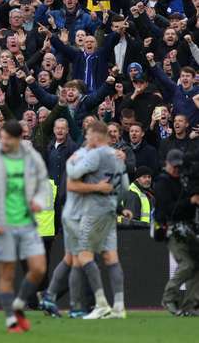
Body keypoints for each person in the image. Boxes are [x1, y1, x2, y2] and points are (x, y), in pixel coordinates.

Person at [0, 120, 49, 333]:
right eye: (3, 136)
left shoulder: (31, 157)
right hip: (3, 224)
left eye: (8, 138)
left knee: (38, 269)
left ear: (18, 139)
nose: (4, 141)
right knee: (6, 274)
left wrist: (38, 201)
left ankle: (18, 303)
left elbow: (42, 182)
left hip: (27, 223)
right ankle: (11, 320)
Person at [65, 121, 128, 319]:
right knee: (111, 257)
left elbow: (73, 174)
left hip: (93, 211)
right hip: (110, 210)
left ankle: (101, 304)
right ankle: (119, 307)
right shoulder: (118, 156)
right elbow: (125, 186)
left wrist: (71, 160)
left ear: (97, 136)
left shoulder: (96, 154)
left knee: (83, 255)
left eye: (90, 134)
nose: (87, 138)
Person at [153, 149, 199, 315]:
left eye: (178, 167)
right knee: (187, 264)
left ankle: (191, 305)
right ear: (167, 163)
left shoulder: (183, 180)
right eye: (174, 167)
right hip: (171, 228)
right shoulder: (162, 182)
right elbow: (168, 210)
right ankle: (168, 298)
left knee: (196, 264)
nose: (176, 170)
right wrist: (190, 201)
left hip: (187, 227)